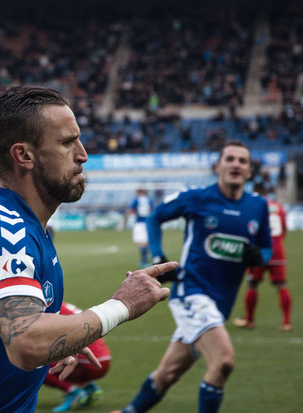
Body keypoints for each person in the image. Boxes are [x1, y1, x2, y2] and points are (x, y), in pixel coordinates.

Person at [0, 86, 177, 412]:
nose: (83, 154)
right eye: (67, 142)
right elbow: (26, 343)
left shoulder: (2, 215)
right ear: (24, 155)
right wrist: (122, 305)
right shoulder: (7, 228)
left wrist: (54, 339)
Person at [114, 140, 273, 413]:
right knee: (223, 362)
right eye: (230, 159)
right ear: (218, 166)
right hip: (191, 292)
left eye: (242, 161)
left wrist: (261, 258)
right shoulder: (197, 197)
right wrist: (158, 257)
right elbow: (155, 218)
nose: (236, 164)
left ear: (249, 172)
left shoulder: (258, 206)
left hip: (220, 304)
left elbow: (266, 246)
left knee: (169, 373)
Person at [234, 184, 292, 331]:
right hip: (277, 250)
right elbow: (284, 229)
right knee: (281, 286)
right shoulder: (278, 207)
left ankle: (250, 320)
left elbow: (249, 229)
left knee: (252, 284)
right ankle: (286, 322)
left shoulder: (254, 207)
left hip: (258, 252)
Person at [43, 302, 111, 412]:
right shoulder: (58, 303)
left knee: (33, 365)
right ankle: (87, 386)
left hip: (89, 361)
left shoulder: (47, 307)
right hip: (102, 358)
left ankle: (73, 392)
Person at [126, 188, 154, 268]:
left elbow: (131, 210)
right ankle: (145, 259)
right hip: (148, 222)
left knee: (141, 243)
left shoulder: (136, 200)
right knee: (146, 242)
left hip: (139, 222)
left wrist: (125, 219)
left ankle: (144, 260)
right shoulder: (149, 200)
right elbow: (152, 210)